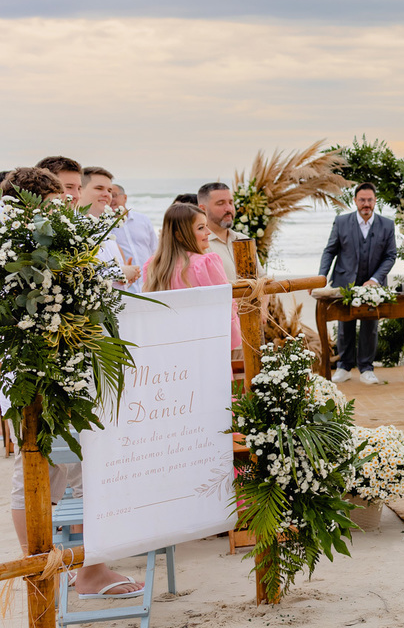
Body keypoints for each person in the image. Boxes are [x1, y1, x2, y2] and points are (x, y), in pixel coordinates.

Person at [3, 169, 147, 600]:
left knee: (72, 467)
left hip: (65, 365)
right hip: (32, 370)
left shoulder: (54, 239)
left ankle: (82, 569)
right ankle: (42, 567)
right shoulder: (19, 245)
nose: (63, 209)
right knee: (36, 468)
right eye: (52, 203)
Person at [318, 182, 397, 385]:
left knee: (370, 325)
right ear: (355, 201)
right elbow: (330, 250)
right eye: (362, 200)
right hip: (345, 282)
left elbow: (390, 256)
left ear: (375, 201)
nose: (366, 204)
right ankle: (344, 367)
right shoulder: (341, 222)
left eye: (370, 200)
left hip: (373, 285)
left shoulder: (387, 225)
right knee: (345, 324)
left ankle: (367, 369)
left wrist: (375, 279)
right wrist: (321, 276)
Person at [142, 204, 242, 351]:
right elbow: (225, 307)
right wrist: (234, 338)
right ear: (180, 235)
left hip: (168, 348)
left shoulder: (153, 267)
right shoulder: (205, 264)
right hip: (206, 346)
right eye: (201, 228)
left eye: (207, 226)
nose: (208, 232)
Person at [80, 167, 141, 288]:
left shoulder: (106, 230)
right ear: (80, 190)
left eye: (109, 190)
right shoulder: (74, 229)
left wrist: (126, 278)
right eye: (99, 188)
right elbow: (79, 275)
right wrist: (120, 272)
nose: (107, 195)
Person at [197, 182, 250, 281]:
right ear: (203, 209)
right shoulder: (199, 245)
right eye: (220, 203)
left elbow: (262, 280)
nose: (229, 208)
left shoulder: (244, 239)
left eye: (231, 202)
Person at [111, 184, 157, 294]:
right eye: (109, 195)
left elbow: (155, 250)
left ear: (125, 197)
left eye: (114, 195)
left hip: (150, 286)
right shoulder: (103, 227)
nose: (111, 199)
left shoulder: (143, 220)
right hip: (125, 288)